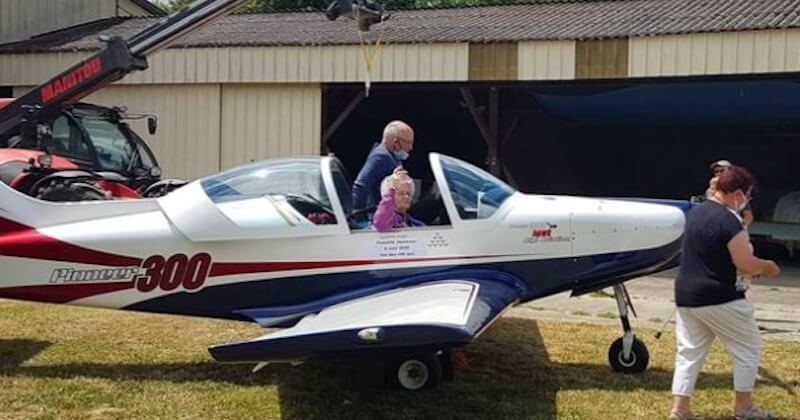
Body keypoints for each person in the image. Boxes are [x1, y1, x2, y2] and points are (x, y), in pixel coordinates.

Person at [669, 166, 781, 420]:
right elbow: (745, 264)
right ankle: (744, 407)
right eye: (748, 195)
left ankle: (680, 409)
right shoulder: (730, 221)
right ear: (738, 193)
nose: (748, 201)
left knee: (689, 352)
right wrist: (768, 267)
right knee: (748, 347)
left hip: (687, 295)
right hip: (720, 297)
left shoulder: (697, 214)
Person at [352, 120, 415, 212]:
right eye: (408, 142)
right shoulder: (381, 157)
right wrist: (358, 215)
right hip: (383, 215)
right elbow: (361, 185)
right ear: (395, 142)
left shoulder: (393, 157)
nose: (411, 147)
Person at [707, 160, 754, 226]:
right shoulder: (709, 191)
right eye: (716, 171)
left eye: (722, 171)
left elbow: (748, 216)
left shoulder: (736, 192)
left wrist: (740, 228)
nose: (719, 174)